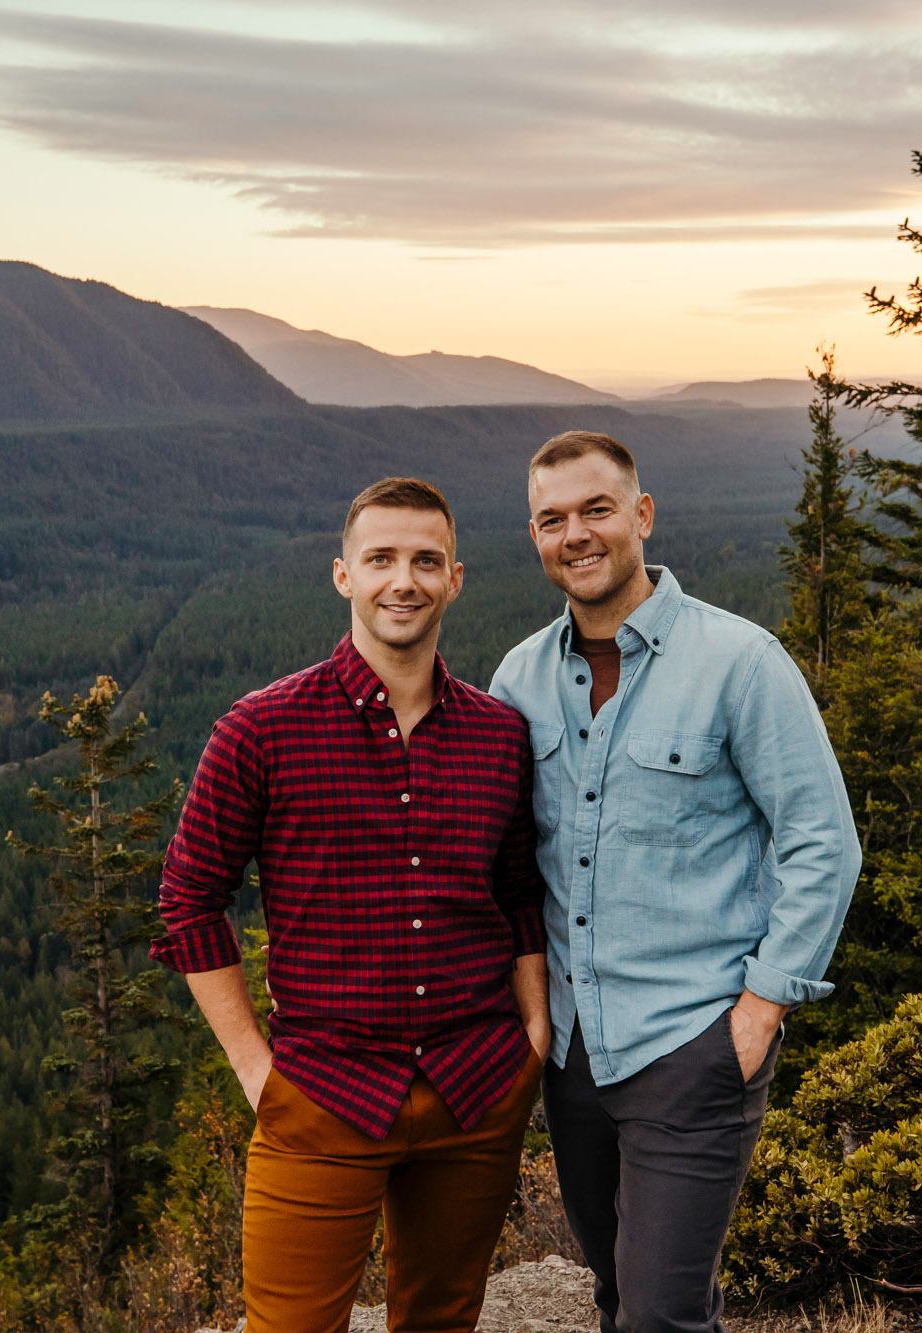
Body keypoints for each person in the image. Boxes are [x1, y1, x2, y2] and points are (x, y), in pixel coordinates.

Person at [153, 476, 551, 1333]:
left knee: (442, 1320)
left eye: (424, 560)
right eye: (381, 558)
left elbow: (520, 889)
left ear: (455, 578)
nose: (401, 579)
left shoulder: (499, 734)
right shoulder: (261, 729)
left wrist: (535, 1029)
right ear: (344, 575)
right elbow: (188, 900)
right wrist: (258, 1073)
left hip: (476, 1086)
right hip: (322, 1091)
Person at [489, 431, 860, 1333]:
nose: (576, 534)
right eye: (552, 519)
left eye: (597, 510)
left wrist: (759, 1010)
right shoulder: (518, 679)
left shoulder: (742, 662)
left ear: (642, 516)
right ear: (535, 536)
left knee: (659, 1315)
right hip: (575, 1057)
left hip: (692, 1045)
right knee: (625, 1293)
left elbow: (824, 843)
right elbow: (505, 866)